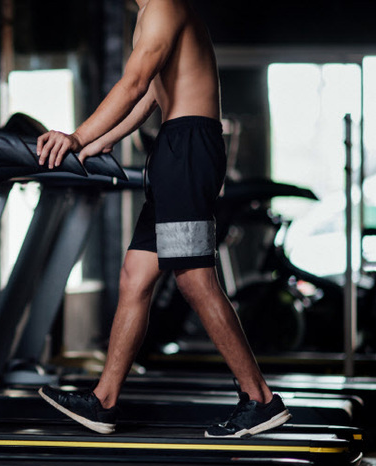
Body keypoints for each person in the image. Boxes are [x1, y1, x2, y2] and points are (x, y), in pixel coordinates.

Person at [36, 0, 291, 438]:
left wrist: (77, 135)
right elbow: (153, 93)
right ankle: (104, 402)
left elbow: (133, 83)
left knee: (193, 278)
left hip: (188, 146)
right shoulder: (150, 15)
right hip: (175, 146)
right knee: (135, 274)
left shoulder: (165, 6)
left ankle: (260, 399)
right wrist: (104, 140)